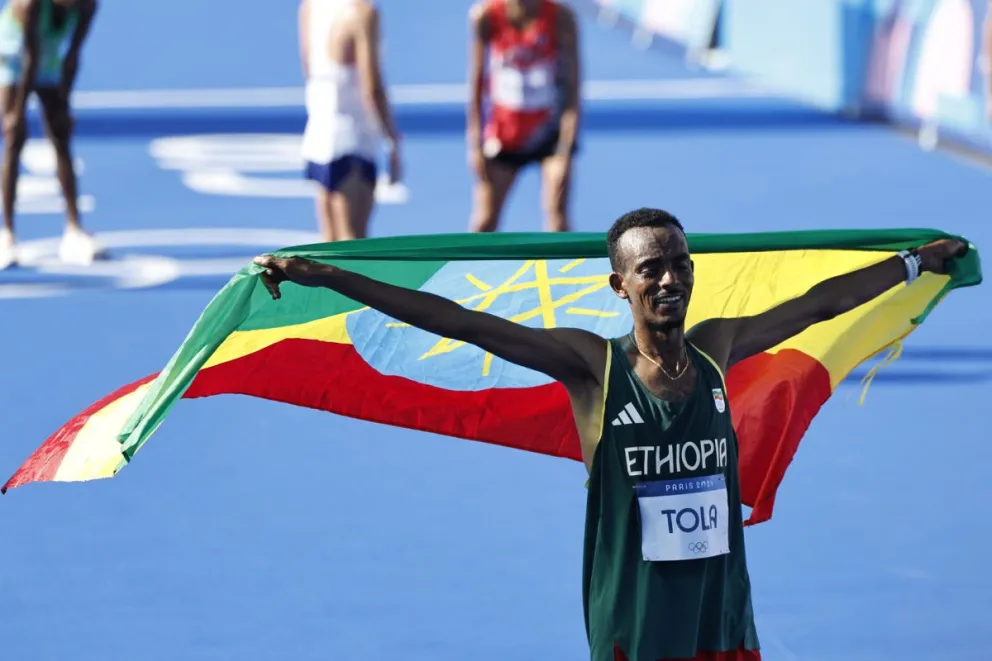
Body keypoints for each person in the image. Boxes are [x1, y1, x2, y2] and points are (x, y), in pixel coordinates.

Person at [253, 208, 967, 661]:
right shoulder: (590, 366)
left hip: (720, 618)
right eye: (649, 267)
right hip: (636, 626)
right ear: (618, 285)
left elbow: (819, 303)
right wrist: (329, 276)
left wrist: (913, 264)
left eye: (679, 264)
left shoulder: (721, 346)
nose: (669, 278)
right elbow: (461, 322)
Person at [0, 0, 99, 270]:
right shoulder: (27, 7)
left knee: (61, 135)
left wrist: (64, 104)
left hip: (48, 57)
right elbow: (29, 58)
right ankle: (7, 234)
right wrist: (17, 115)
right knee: (14, 141)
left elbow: (72, 57)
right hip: (12, 57)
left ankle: (74, 230)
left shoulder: (87, 6)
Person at [466, 0, 580, 233]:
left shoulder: (561, 18)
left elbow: (573, 85)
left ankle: (563, 270)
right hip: (504, 134)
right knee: (485, 221)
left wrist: (566, 147)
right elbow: (476, 81)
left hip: (549, 132)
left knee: (558, 218)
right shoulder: (485, 16)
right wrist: (474, 143)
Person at [298, 0, 401, 242]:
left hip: (319, 135)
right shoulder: (363, 14)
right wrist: (391, 139)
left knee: (329, 246)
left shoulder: (311, 6)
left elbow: (308, 66)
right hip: (353, 140)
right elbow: (372, 88)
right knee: (353, 245)